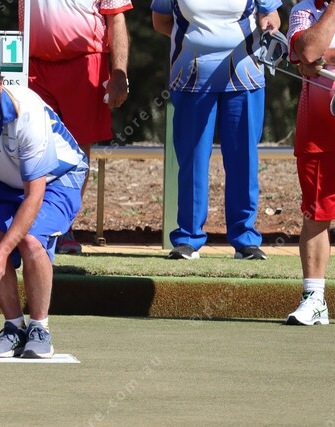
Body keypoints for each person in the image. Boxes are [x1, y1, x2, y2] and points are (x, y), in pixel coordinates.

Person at [0, 49, 89, 358]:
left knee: (31, 241)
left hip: (58, 178)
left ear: (0, 83)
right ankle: (14, 328)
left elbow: (34, 193)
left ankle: (40, 328)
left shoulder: (27, 112)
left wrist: (3, 251)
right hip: (6, 181)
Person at [151, 0, 282, 260]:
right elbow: (161, 21)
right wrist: (199, 43)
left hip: (245, 77)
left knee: (243, 160)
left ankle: (245, 239)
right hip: (190, 77)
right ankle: (188, 239)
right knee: (193, 160)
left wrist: (269, 25)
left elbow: (272, 17)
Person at [18, 0, 132, 254]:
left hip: (85, 61)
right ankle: (30, 224)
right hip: (32, 63)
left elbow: (116, 17)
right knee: (32, 147)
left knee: (77, 154)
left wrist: (119, 72)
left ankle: (62, 227)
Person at [285, 0, 335, 325]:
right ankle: (315, 299)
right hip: (319, 131)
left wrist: (324, 58)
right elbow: (308, 50)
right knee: (317, 214)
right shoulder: (304, 9)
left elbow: (317, 57)